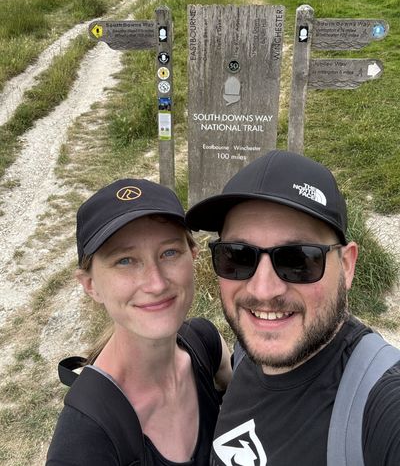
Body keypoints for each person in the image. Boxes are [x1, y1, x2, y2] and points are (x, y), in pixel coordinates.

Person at [185, 149, 400, 466]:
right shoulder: (247, 353)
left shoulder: (381, 403)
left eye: (298, 260)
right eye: (238, 256)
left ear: (347, 266)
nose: (263, 290)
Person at [46, 178, 231, 465]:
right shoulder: (85, 443)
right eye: (125, 261)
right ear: (90, 285)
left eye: (169, 252)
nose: (156, 283)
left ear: (193, 256)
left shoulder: (205, 344)